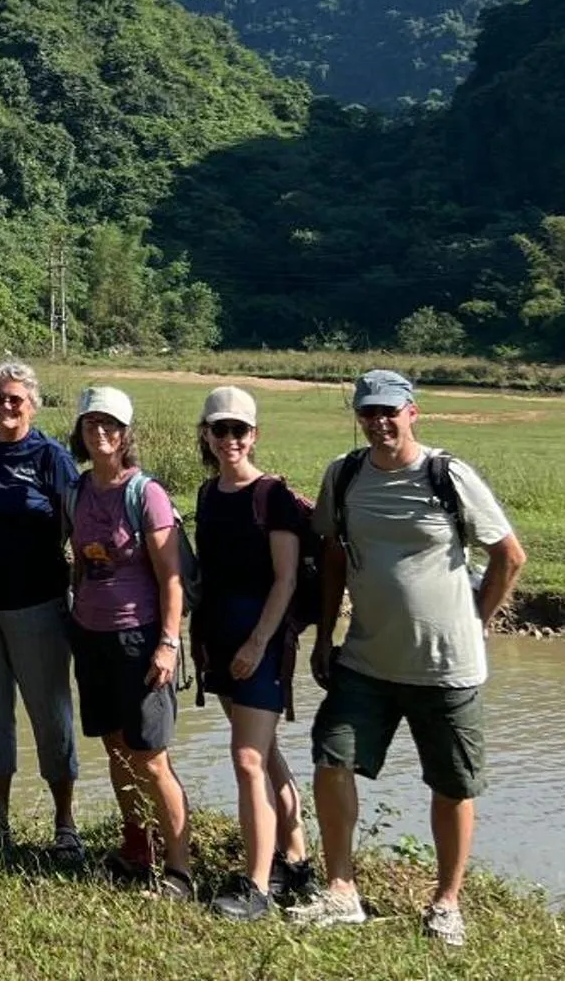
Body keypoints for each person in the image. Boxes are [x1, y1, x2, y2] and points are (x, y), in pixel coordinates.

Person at [290, 368, 527, 948]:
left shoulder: (448, 475)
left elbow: (509, 556)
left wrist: (478, 620)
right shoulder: (343, 476)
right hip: (367, 660)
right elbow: (333, 553)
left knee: (452, 785)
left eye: (388, 411)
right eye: (368, 412)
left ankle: (446, 902)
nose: (379, 422)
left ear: (413, 412)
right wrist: (323, 637)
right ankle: (341, 891)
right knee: (331, 760)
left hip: (448, 669)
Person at [188, 384, 314, 921]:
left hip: (259, 640)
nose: (230, 439)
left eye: (239, 430)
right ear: (207, 435)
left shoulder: (274, 496)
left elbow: (285, 581)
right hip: (218, 639)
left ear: (254, 435)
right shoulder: (207, 494)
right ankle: (298, 859)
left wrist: (258, 643)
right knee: (265, 755)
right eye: (221, 429)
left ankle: (257, 887)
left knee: (246, 761)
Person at [65, 384, 195, 898]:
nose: (101, 433)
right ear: (80, 430)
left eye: (111, 425)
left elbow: (171, 579)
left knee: (151, 755)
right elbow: (75, 562)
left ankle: (180, 869)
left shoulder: (147, 493)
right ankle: (136, 848)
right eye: (92, 423)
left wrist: (169, 642)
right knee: (116, 749)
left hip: (139, 639)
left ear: (126, 433)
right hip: (90, 636)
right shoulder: (75, 491)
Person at [0, 360, 83, 866]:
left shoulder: (51, 457)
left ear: (33, 403)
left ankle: (65, 824)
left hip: (40, 606)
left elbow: (79, 528)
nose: (6, 407)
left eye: (16, 399)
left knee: (51, 717)